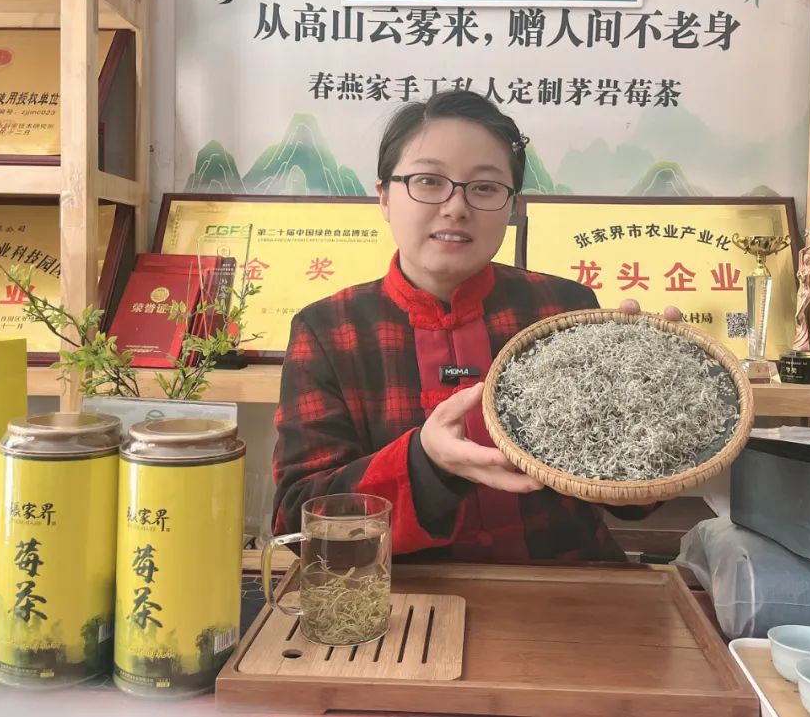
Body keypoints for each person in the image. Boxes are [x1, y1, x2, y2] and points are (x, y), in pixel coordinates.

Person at [270, 90, 682, 563]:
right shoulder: (329, 330)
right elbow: (299, 523)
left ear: (512, 206)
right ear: (383, 196)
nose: (456, 207)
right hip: (405, 593)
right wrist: (425, 463)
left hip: (569, 581)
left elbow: (633, 501)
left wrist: (660, 402)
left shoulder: (565, 310)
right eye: (428, 181)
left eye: (484, 188)